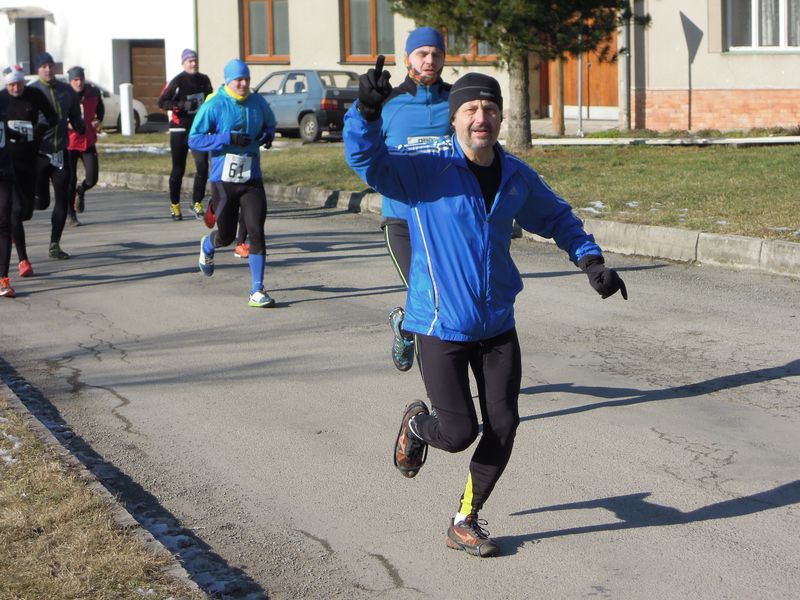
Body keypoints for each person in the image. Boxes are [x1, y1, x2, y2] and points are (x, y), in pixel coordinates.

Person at [345, 61, 628, 557]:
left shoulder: (515, 175)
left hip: (497, 323)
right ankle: (416, 425)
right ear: (454, 119)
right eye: (471, 109)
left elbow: (558, 217)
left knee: (504, 424)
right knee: (457, 433)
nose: (482, 118)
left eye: (490, 109)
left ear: (500, 117)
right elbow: (369, 160)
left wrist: (591, 261)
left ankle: (465, 519)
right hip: (440, 323)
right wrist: (366, 111)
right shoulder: (425, 169)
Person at [381, 26, 452, 372]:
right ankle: (440, 395)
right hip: (401, 219)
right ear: (407, 58)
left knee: (446, 299)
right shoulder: (389, 104)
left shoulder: (456, 100)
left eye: (436, 54)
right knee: (427, 298)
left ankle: (404, 326)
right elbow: (362, 152)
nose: (430, 60)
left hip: (444, 219)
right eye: (422, 53)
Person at [188, 59, 277, 307]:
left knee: (256, 231)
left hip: (251, 178)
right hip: (223, 180)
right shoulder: (215, 104)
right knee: (226, 237)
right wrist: (226, 138)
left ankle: (257, 290)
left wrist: (267, 135)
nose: (244, 84)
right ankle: (208, 244)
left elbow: (270, 123)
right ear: (228, 81)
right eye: (239, 80)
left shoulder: (257, 102)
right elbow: (194, 139)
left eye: (247, 79)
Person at [0, 64, 58, 277]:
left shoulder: (34, 95)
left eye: (19, 84)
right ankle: (23, 261)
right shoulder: (1, 99)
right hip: (8, 164)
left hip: (30, 160)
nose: (16, 88)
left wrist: (38, 131)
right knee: (14, 212)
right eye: (12, 85)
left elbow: (53, 117)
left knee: (26, 212)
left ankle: (13, 233)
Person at [30, 52, 86, 260]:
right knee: (42, 202)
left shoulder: (66, 90)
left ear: (55, 68)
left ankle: (55, 244)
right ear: (38, 69)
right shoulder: (32, 91)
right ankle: (20, 214)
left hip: (61, 152)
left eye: (50, 66)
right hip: (40, 154)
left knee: (63, 198)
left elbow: (75, 115)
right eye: (43, 66)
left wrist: (80, 125)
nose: (47, 69)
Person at [158, 49, 213, 221]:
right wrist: (181, 105)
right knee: (178, 169)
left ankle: (197, 202)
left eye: (195, 60)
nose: (193, 63)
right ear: (183, 63)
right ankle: (175, 204)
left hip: (198, 129)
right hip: (179, 129)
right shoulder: (177, 81)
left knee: (202, 166)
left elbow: (211, 100)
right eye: (190, 61)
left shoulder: (204, 80)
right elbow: (162, 102)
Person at [65, 66, 104, 227]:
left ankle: (80, 191)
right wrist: (65, 123)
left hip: (88, 140)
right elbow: (56, 115)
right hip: (69, 143)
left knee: (92, 178)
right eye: (75, 80)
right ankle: (71, 215)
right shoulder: (64, 94)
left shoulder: (93, 92)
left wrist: (98, 119)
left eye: (81, 79)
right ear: (70, 81)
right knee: (70, 179)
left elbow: (100, 109)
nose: (79, 83)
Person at [0, 88, 17, 296]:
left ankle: (3, 279)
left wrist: (21, 135)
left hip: (3, 172)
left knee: (4, 223)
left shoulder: (2, 104)